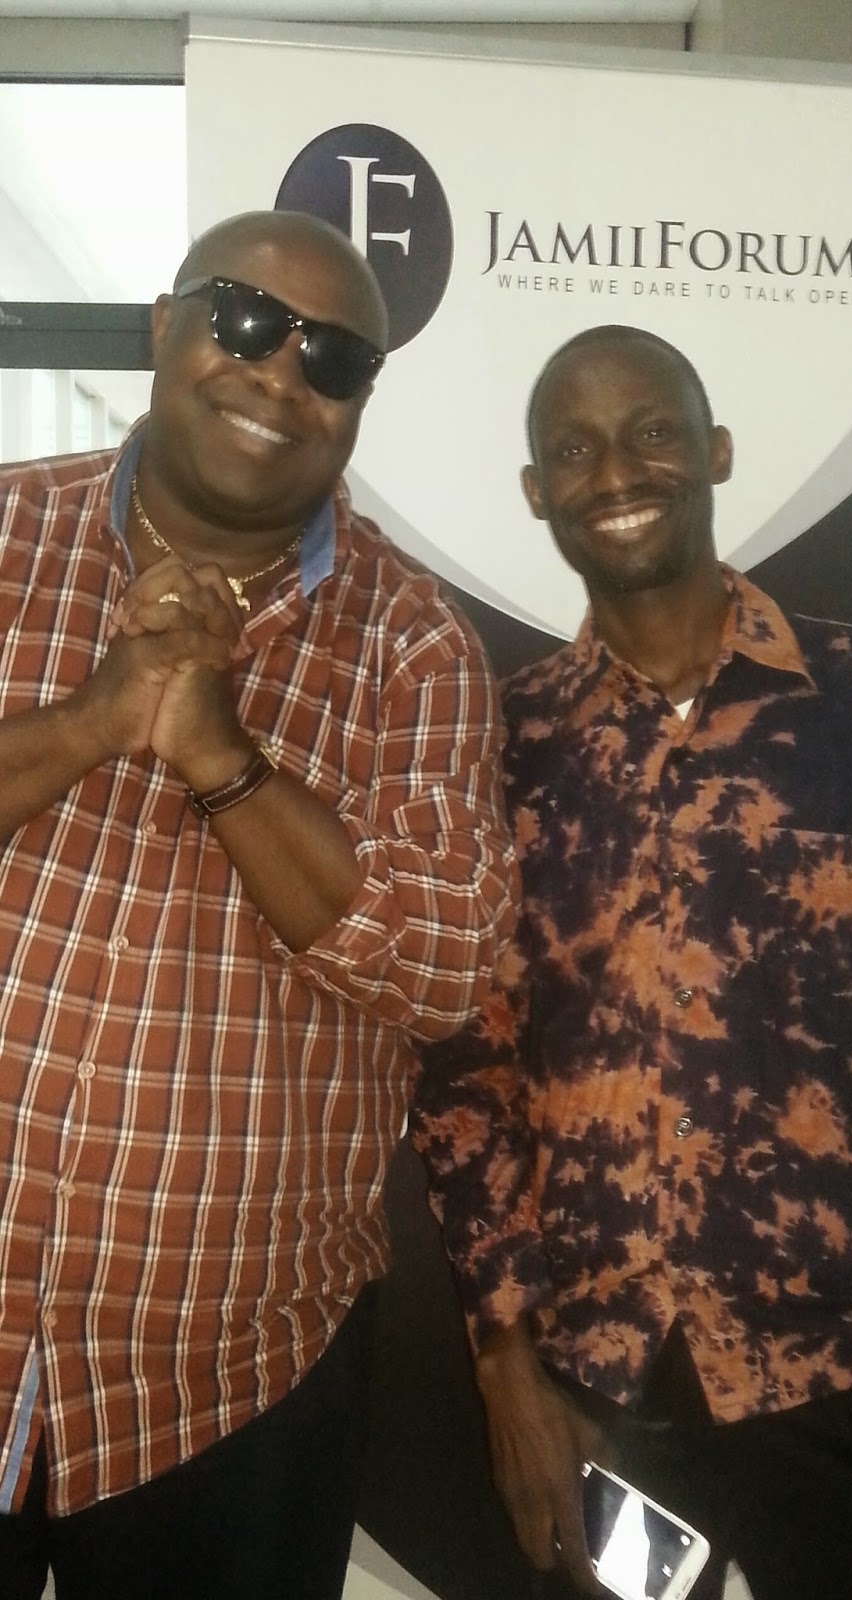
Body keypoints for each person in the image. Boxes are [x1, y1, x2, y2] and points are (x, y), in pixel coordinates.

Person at [411, 324, 852, 1600]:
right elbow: (463, 1058)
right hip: (597, 1391)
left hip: (840, 1368)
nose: (617, 472)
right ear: (536, 491)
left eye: (651, 432)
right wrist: (503, 1353)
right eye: (575, 450)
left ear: (715, 450)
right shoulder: (507, 744)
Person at [0, 209, 515, 1600]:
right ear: (161, 325)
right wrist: (96, 720)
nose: (281, 373)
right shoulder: (3, 529)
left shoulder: (417, 647)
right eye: (243, 320)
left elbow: (448, 968)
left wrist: (224, 760)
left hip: (227, 1384)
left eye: (333, 359)